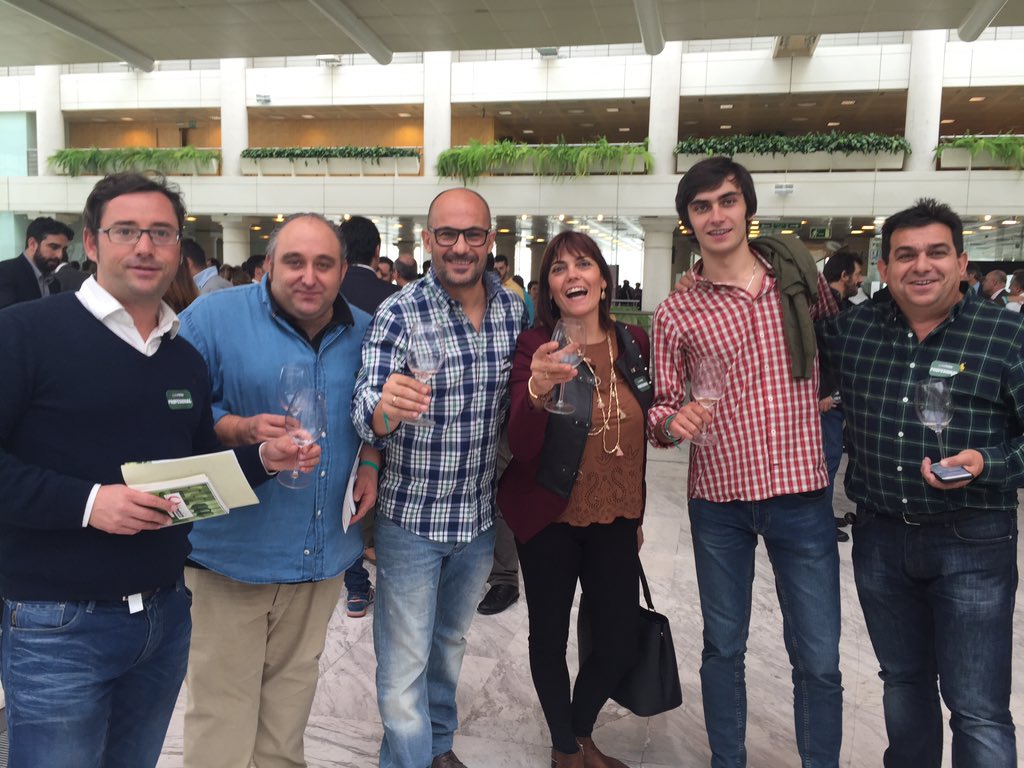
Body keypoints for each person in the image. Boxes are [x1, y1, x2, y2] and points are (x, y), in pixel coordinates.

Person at [0, 172, 311, 768]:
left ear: (178, 249)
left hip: (163, 620)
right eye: (126, 231)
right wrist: (90, 503)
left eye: (161, 233)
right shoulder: (25, 333)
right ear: (91, 243)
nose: (145, 247)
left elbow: (191, 478)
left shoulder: (183, 359)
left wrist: (264, 460)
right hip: (58, 622)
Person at [648, 156, 841, 767]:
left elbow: (839, 349)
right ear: (688, 221)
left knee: (817, 656)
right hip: (719, 501)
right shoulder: (677, 311)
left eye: (727, 201)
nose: (716, 215)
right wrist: (671, 423)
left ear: (747, 209)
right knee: (723, 647)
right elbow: (660, 408)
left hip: (800, 493)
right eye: (701, 207)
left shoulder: (796, 283)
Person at [819, 198, 1022, 768]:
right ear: (884, 268)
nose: (921, 266)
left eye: (936, 252)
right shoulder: (853, 333)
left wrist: (986, 462)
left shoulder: (1006, 336)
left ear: (963, 264)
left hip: (974, 541)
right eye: (904, 255)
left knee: (978, 708)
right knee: (903, 685)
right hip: (882, 540)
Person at [177, 212, 379, 768]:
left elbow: (373, 416)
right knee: (222, 714)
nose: (308, 277)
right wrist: (240, 430)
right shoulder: (212, 318)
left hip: (320, 558)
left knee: (288, 715)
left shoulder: (366, 330)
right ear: (268, 265)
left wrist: (370, 458)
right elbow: (173, 410)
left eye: (323, 264)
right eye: (293, 261)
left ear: (343, 271)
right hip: (233, 556)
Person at [353, 188, 526, 768]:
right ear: (428, 242)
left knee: (449, 646)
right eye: (446, 235)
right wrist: (386, 407)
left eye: (472, 234)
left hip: (477, 519)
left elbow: (520, 407)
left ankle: (439, 747)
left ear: (490, 240)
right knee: (404, 663)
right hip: (410, 522)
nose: (459, 247)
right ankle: (408, 759)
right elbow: (364, 409)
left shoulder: (510, 310)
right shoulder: (400, 312)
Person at [498, 231, 652, 768]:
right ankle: (566, 749)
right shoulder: (534, 345)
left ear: (604, 280)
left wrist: (637, 508)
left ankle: (581, 729)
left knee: (617, 640)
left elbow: (638, 438)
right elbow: (519, 443)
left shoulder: (633, 341)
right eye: (559, 268)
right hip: (547, 515)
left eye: (583, 264)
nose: (572, 276)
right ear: (550, 288)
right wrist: (537, 389)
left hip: (614, 516)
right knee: (550, 635)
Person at [339, 214, 398, 616]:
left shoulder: (327, 292)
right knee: (374, 483)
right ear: (377, 252)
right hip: (383, 410)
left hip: (337, 404)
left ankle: (354, 584)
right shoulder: (393, 297)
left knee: (342, 489)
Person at [820, 248, 865, 542]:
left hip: (838, 398)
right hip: (824, 401)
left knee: (832, 459)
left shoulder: (847, 308)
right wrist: (822, 393)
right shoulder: (825, 310)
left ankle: (822, 515)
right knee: (826, 459)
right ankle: (819, 521)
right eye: (858, 274)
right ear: (844, 275)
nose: (860, 280)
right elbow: (818, 355)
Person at [0, 216, 74, 308]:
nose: (60, 255)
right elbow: (6, 318)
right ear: (32, 244)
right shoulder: (5, 273)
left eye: (64, 249)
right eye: (54, 247)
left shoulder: (54, 283)